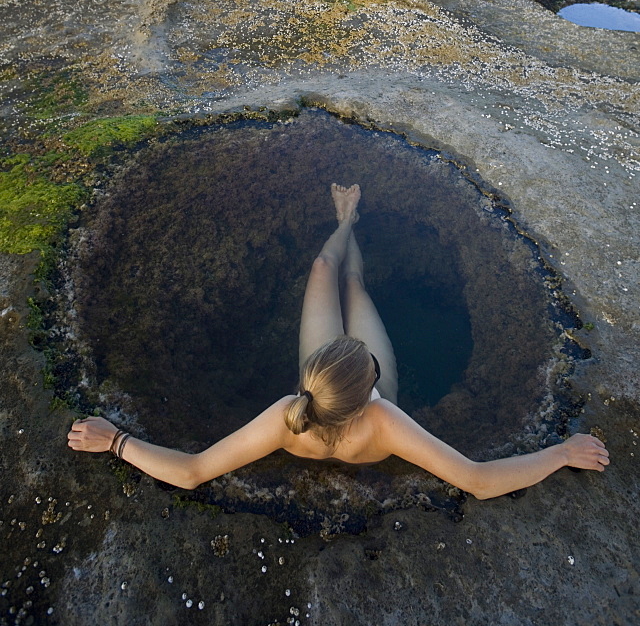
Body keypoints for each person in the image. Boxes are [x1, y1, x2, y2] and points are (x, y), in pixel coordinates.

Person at [68, 184, 609, 499]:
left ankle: (347, 222)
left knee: (333, 273)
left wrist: (115, 441)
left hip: (330, 390)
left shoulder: (288, 414)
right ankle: (350, 225)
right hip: (350, 396)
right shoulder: (384, 420)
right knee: (348, 282)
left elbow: (190, 472)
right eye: (366, 359)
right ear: (370, 382)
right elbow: (477, 479)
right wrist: (560, 452)